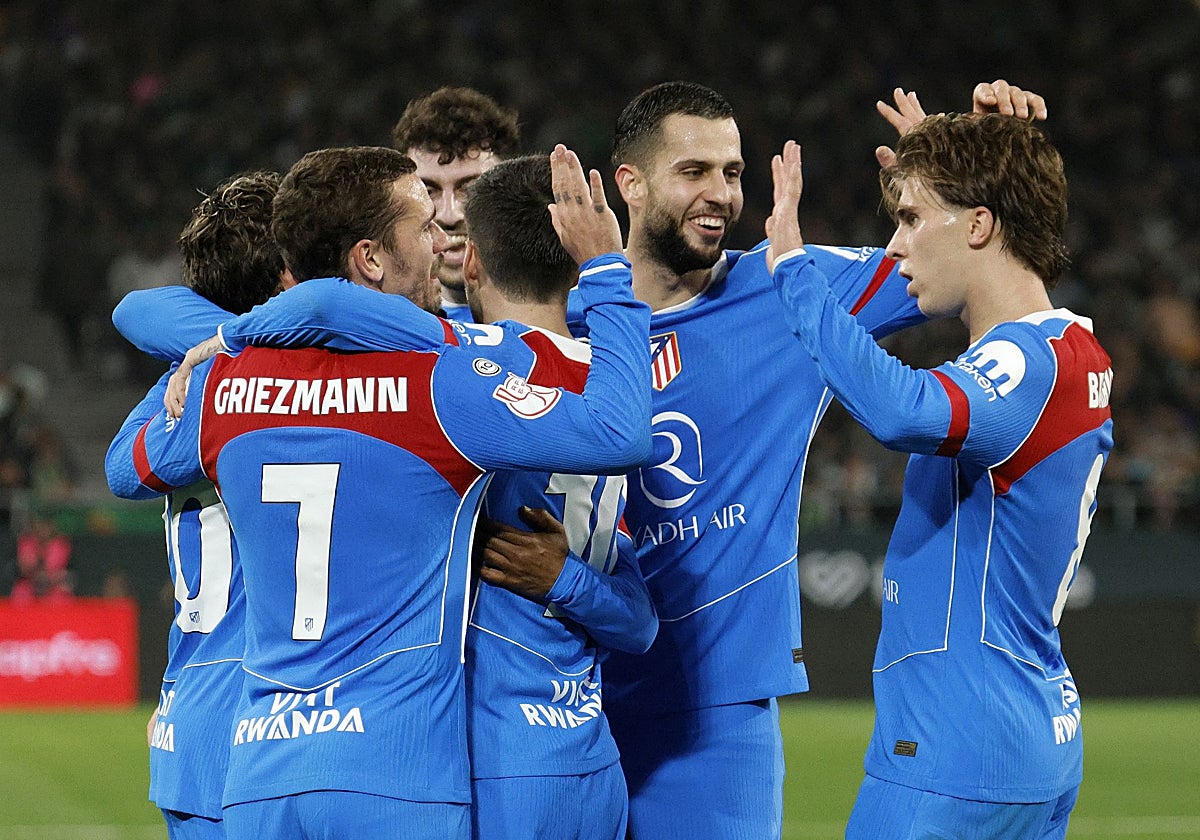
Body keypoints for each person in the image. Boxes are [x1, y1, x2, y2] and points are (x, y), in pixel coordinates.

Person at [109, 144, 651, 840]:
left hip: (259, 772)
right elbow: (619, 431)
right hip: (395, 772)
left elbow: (127, 450)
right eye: (424, 225)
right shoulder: (440, 381)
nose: (441, 240)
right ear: (369, 258)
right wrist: (606, 270)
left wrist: (233, 333)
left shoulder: (225, 384)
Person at [588, 80, 1047, 838]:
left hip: (716, 719)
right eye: (694, 171)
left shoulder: (786, 281)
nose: (721, 194)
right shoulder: (566, 314)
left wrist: (983, 174)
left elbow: (976, 265)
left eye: (733, 173)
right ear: (629, 183)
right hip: (566, 707)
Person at [766, 115, 1111, 839]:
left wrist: (794, 271)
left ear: (979, 225)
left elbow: (902, 411)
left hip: (956, 750)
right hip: (1030, 731)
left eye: (913, 219)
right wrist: (973, 152)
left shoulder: (1025, 363)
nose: (895, 246)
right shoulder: (1076, 350)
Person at [106, 169, 294, 840]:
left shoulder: (193, 379)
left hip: (190, 715)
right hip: (261, 717)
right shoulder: (285, 381)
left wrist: (215, 344)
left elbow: (121, 466)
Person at [393, 86, 521, 320]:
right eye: (427, 191)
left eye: (470, 189)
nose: (449, 215)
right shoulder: (381, 328)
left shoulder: (577, 316)